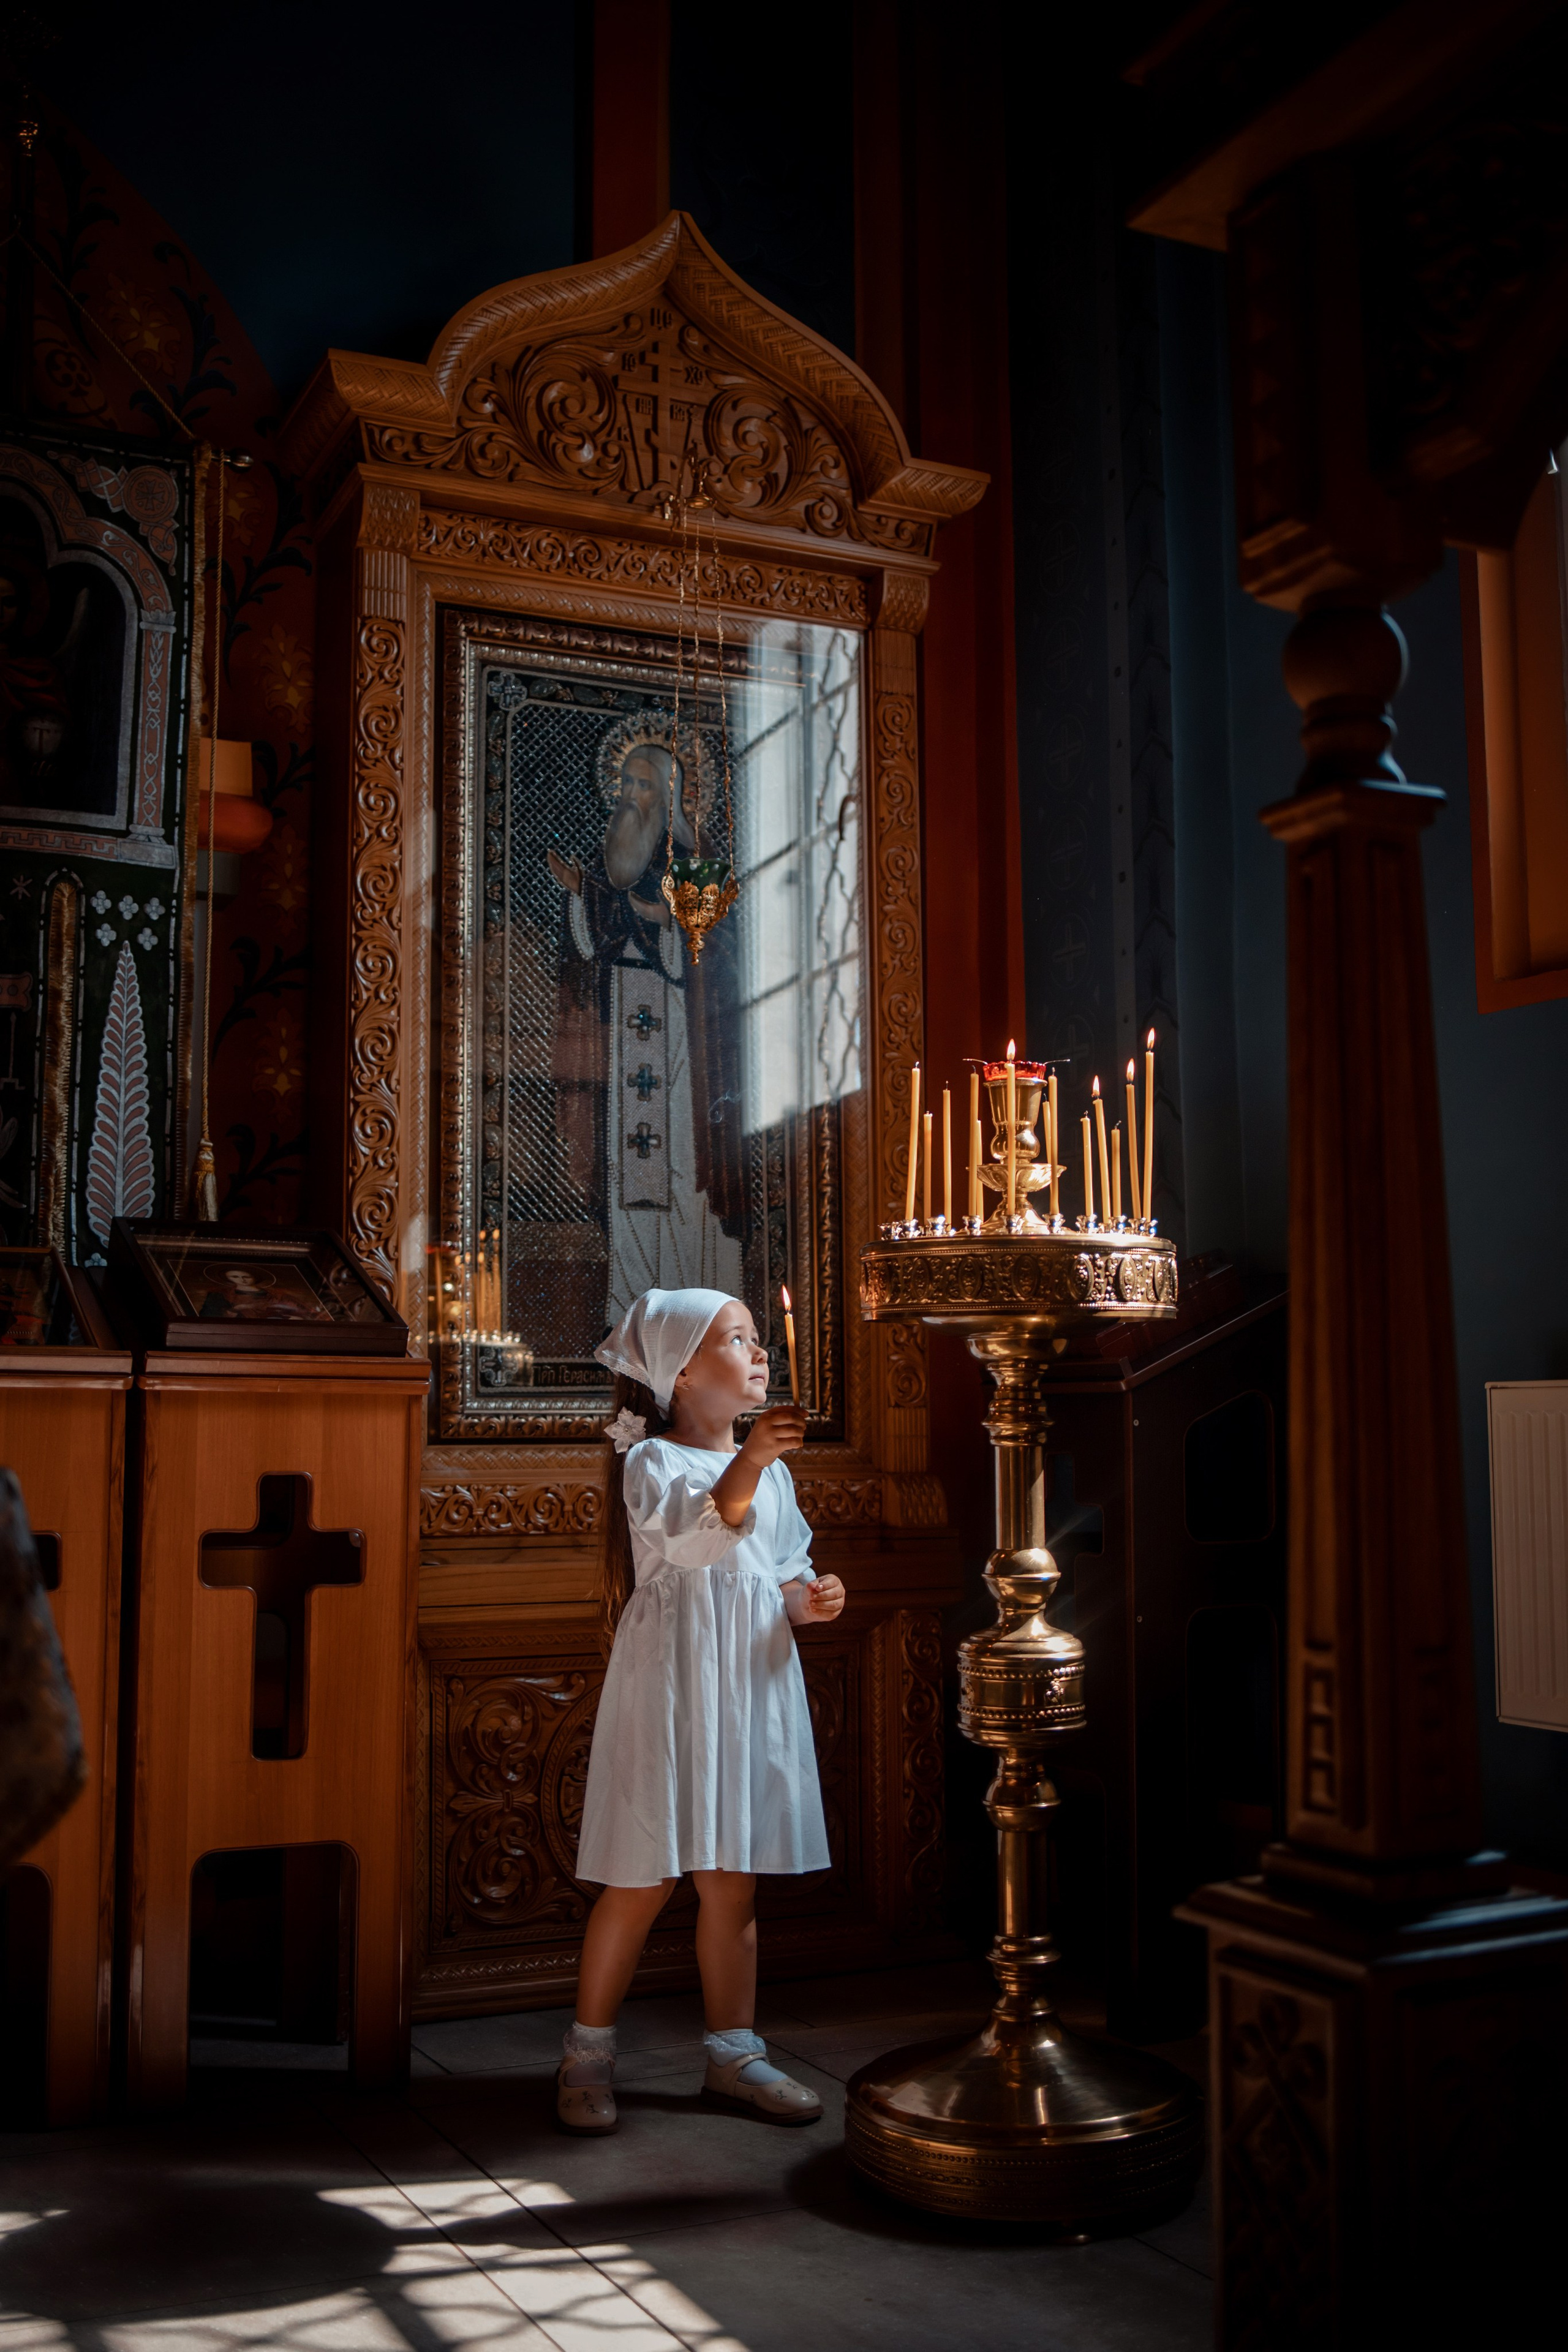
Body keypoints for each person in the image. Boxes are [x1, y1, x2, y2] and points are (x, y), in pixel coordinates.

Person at [560, 1284, 845, 2135]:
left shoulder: (777, 1476)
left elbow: (785, 1577)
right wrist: (750, 1459)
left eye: (760, 1338)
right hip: (673, 1689)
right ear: (681, 1376)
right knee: (640, 1879)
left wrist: (815, 1599)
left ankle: (734, 2053)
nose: (759, 1352)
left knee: (733, 1884)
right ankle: (587, 2050)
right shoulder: (653, 1463)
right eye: (738, 1339)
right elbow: (702, 1534)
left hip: (746, 1693)